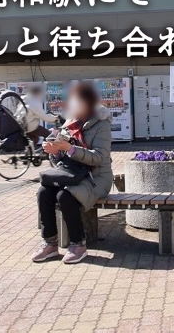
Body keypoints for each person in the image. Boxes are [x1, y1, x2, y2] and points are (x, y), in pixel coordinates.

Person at [32, 82, 114, 264]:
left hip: (97, 177)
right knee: (44, 192)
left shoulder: (101, 124)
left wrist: (70, 148)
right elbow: (61, 163)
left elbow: (99, 157)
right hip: (73, 174)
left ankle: (78, 245)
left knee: (65, 196)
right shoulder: (69, 124)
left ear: (88, 102)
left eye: (77, 101)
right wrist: (55, 152)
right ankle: (50, 244)